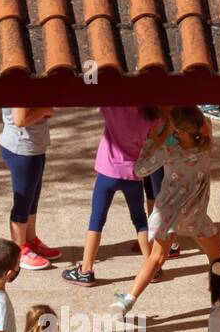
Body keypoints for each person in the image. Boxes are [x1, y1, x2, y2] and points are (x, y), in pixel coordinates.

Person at [111, 106, 220, 317]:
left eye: (173, 129)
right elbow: (203, 121)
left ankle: (127, 302)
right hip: (195, 213)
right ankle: (219, 300)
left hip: (168, 214)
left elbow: (140, 169)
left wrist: (152, 141)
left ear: (180, 132)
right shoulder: (206, 141)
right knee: (216, 256)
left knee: (156, 258)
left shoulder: (169, 151)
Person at [63, 106, 159, 287]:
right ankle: (151, 266)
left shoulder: (114, 108)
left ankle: (86, 270)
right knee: (140, 220)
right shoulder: (150, 113)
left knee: (96, 221)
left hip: (107, 172)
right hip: (133, 173)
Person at [0, 107, 60, 271]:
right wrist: (44, 110)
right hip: (21, 149)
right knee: (23, 201)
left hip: (35, 147)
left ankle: (31, 240)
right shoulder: (20, 86)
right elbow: (19, 120)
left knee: (33, 199)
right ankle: (19, 250)